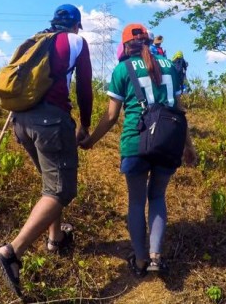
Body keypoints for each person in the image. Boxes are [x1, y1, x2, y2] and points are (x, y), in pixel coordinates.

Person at [79, 23, 196, 276]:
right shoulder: (169, 67)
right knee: (157, 198)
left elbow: (111, 116)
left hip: (135, 143)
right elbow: (179, 110)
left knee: (136, 201)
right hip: (168, 142)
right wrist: (189, 146)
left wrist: (91, 141)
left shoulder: (123, 69)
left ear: (124, 46)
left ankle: (140, 260)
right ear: (149, 42)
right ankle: (156, 257)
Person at [0, 4, 93, 297]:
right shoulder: (75, 41)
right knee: (61, 191)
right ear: (76, 25)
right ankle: (12, 252)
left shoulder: (36, 40)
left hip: (21, 121)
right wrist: (84, 124)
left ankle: (56, 239)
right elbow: (84, 87)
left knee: (51, 184)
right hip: (52, 121)